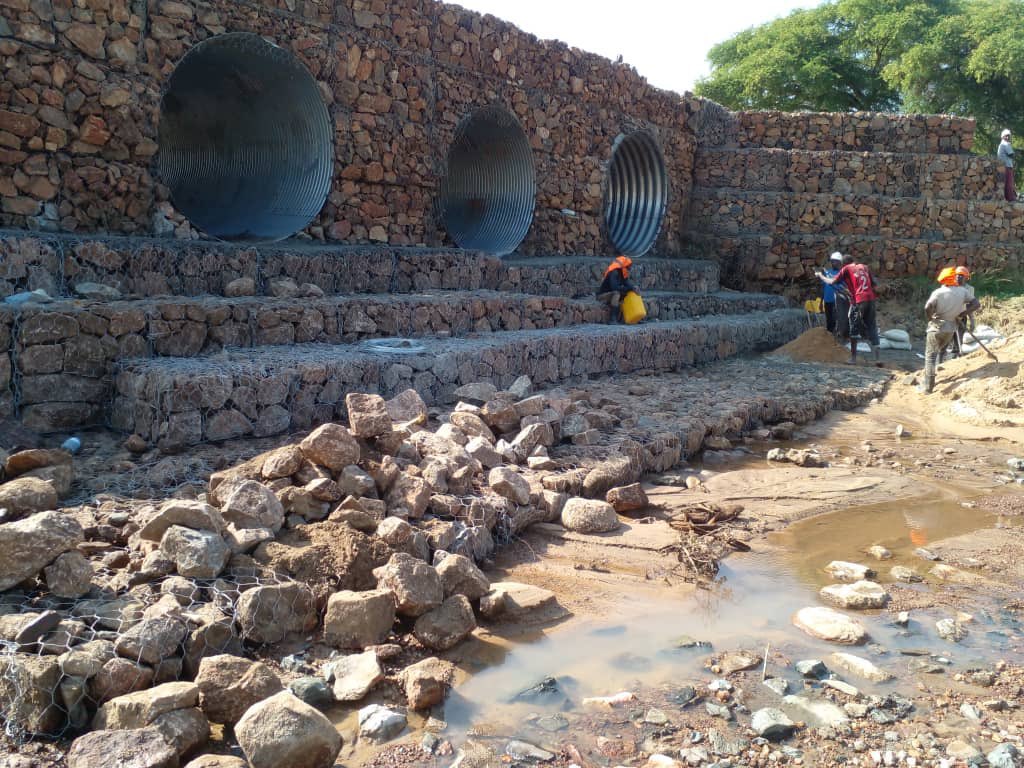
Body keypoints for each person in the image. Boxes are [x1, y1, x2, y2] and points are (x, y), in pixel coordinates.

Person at [815, 253, 880, 364]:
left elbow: (831, 282)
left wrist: (820, 276)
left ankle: (853, 358)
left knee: (853, 327)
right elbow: (874, 284)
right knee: (872, 326)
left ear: (843, 264)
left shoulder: (846, 269)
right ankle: (878, 359)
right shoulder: (864, 267)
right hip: (871, 299)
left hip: (859, 300)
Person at [920, 275, 980, 394]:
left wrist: (931, 318)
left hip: (937, 328)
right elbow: (976, 304)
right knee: (938, 351)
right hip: (951, 329)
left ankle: (928, 387)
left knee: (930, 356)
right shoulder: (963, 291)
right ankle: (932, 376)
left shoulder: (938, 292)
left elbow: (927, 307)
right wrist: (963, 314)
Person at [596, 255, 638, 322]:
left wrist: (633, 288)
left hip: (611, 295)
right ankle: (613, 318)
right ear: (624, 266)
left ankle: (636, 316)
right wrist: (628, 288)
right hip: (602, 296)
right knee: (617, 293)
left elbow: (628, 284)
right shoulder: (614, 273)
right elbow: (614, 287)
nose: (629, 269)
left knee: (633, 291)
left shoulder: (623, 273)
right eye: (628, 267)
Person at [821, 252, 843, 334]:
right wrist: (821, 302)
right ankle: (830, 336)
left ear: (840, 262)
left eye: (835, 261)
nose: (833, 263)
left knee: (836, 319)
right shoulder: (827, 273)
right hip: (827, 301)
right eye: (832, 261)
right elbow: (823, 287)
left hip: (837, 301)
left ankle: (837, 335)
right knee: (829, 319)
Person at [998, 129, 1017, 202]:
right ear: (1002, 137)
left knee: (1006, 183)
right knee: (1009, 183)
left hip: (1003, 166)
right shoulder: (1005, 144)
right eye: (1006, 136)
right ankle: (1010, 199)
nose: (1008, 138)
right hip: (1007, 166)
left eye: (1009, 136)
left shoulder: (1001, 144)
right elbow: (1011, 154)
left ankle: (1007, 198)